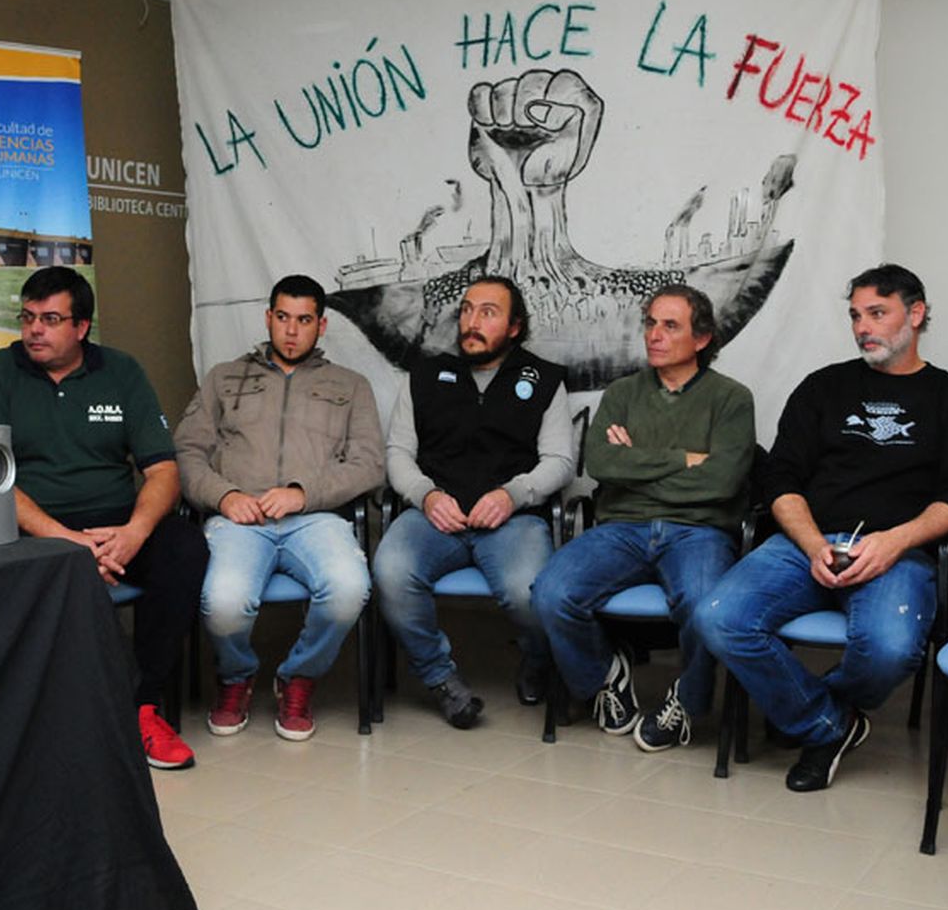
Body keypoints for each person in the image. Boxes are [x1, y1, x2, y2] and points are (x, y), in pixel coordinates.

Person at [697, 264, 948, 791]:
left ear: (916, 314)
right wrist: (811, 544)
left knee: (889, 648)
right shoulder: (823, 388)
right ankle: (827, 725)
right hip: (806, 542)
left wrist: (895, 541)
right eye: (856, 315)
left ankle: (810, 708)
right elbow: (780, 477)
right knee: (719, 618)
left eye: (877, 313)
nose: (862, 327)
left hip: (898, 551)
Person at [0, 266, 207, 770]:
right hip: (31, 528)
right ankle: (96, 712)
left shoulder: (122, 372)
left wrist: (134, 534)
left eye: (50, 319)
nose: (34, 330)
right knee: (66, 576)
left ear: (82, 327)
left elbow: (163, 471)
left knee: (184, 548)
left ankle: (143, 707)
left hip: (115, 522)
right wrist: (67, 541)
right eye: (28, 317)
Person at [532, 285, 754, 750]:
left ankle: (686, 703)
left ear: (701, 339)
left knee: (704, 605)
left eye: (669, 325)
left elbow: (723, 482)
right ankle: (604, 677)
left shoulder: (731, 398)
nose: (654, 335)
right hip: (621, 528)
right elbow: (602, 464)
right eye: (650, 323)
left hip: (698, 532)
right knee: (550, 592)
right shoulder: (623, 392)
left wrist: (640, 462)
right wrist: (685, 459)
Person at [174, 274, 384, 741]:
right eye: (283, 318)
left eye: (304, 320)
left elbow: (369, 466)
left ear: (321, 326)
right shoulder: (224, 377)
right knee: (224, 602)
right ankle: (236, 676)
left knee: (350, 588)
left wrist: (303, 493)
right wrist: (225, 496)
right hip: (239, 520)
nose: (292, 331)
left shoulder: (351, 385)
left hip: (316, 519)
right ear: (268, 318)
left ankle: (299, 677)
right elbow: (186, 453)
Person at [372, 275, 574, 728]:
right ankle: (442, 680)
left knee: (533, 593)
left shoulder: (543, 379)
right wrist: (425, 496)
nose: (472, 322)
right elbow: (398, 454)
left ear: (515, 327)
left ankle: (537, 660)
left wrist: (513, 494)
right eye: (466, 310)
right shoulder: (424, 376)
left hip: (512, 519)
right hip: (433, 515)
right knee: (390, 572)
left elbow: (560, 460)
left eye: (488, 312)